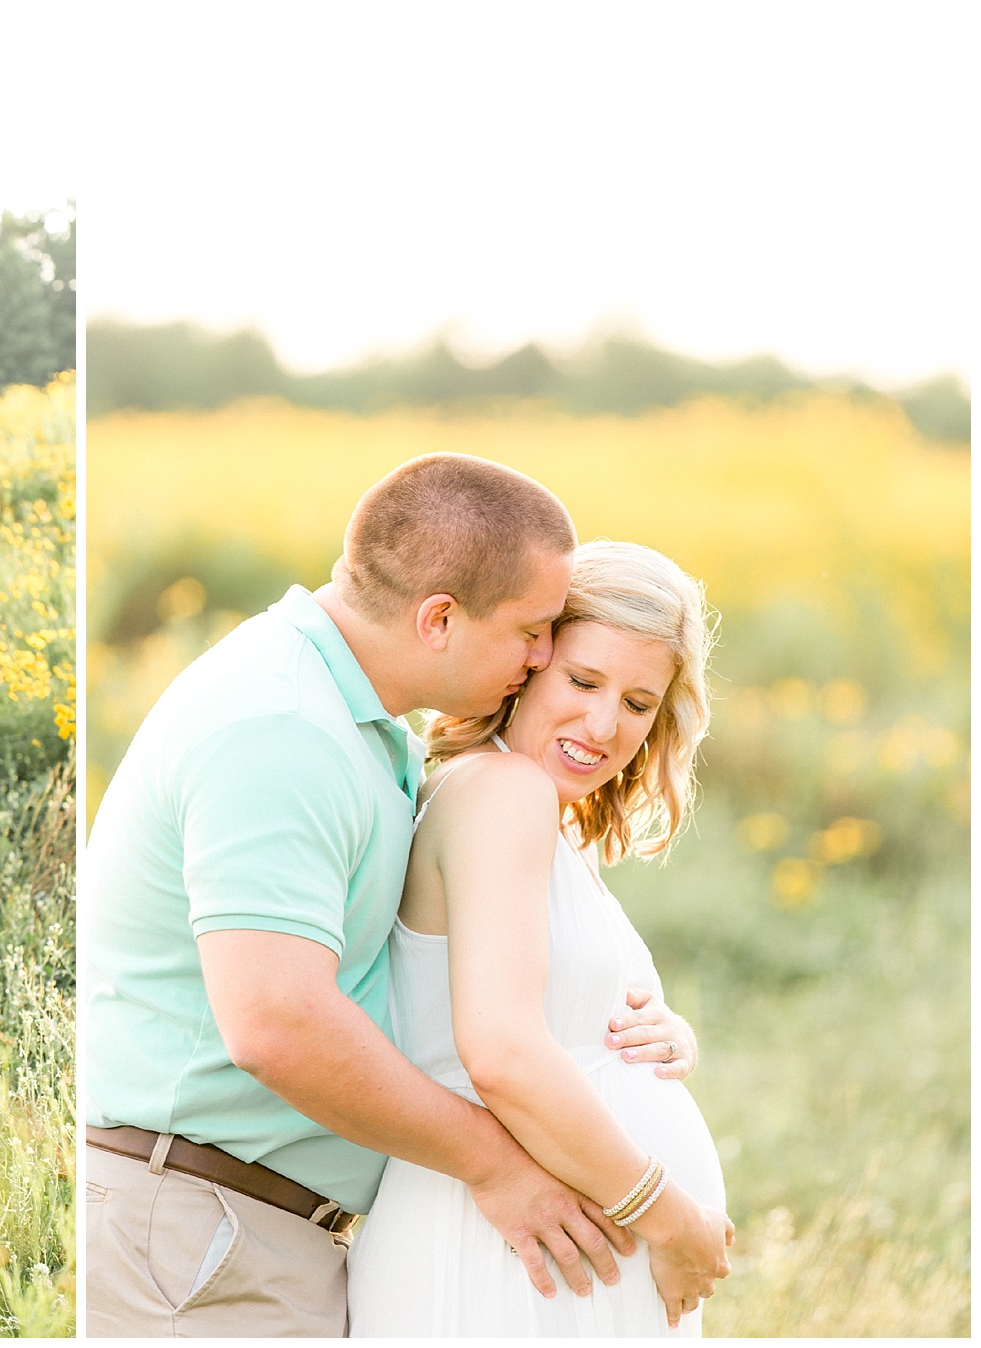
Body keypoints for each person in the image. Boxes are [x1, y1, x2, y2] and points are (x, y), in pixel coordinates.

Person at [84, 453, 714, 1336]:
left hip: (252, 1230)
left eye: (640, 700)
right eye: (540, 640)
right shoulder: (286, 726)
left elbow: (416, 991)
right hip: (201, 1224)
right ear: (440, 618)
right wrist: (594, 1191)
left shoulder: (376, 742)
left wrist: (642, 1041)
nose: (538, 658)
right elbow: (277, 1020)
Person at [346, 539, 733, 1335]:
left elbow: (541, 1018)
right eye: (582, 680)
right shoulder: (503, 792)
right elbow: (502, 1052)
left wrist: (654, 1042)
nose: (603, 724)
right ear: (529, 662)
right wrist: (668, 1217)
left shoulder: (547, 823)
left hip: (550, 1259)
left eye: (637, 703)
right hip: (510, 1255)